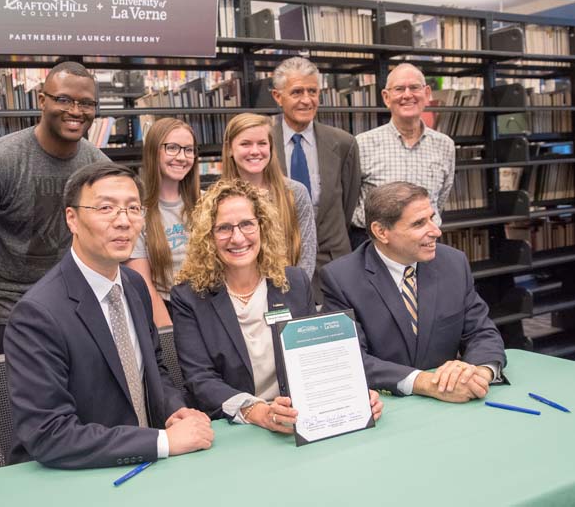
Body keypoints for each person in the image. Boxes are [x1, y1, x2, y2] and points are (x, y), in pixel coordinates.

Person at [4, 161, 213, 469]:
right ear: (72, 219)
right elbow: (49, 435)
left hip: (147, 465)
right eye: (106, 209)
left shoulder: (134, 285)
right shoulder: (37, 315)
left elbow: (153, 368)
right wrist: (163, 442)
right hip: (78, 476)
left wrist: (173, 410)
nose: (123, 221)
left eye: (133, 208)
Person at [171, 180, 382, 433]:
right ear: (208, 236)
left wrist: (351, 393)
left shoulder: (293, 282)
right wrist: (258, 411)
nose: (237, 238)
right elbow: (200, 379)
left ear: (262, 226)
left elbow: (315, 355)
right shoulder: (190, 296)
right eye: (224, 228)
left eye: (247, 224)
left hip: (296, 416)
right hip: (234, 427)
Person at [0, 61, 109, 354]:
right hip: (3, 315)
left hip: (73, 310)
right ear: (41, 101)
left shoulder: (100, 168)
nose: (75, 110)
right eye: (64, 99)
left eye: (86, 103)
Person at [321, 182, 505, 402]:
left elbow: (481, 332)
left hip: (452, 401)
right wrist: (424, 383)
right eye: (419, 224)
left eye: (432, 218)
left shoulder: (454, 263)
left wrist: (478, 374)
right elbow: (350, 358)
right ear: (381, 232)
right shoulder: (341, 279)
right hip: (385, 405)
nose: (436, 231)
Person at [270, 56, 360, 300]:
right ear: (278, 96)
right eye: (297, 92)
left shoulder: (343, 143)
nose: (307, 100)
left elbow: (348, 201)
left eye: (312, 91)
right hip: (279, 264)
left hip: (333, 263)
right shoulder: (261, 143)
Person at [350, 63, 455, 249]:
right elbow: (349, 203)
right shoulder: (361, 144)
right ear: (386, 97)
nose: (407, 95)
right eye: (399, 89)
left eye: (414, 87)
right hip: (375, 246)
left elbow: (439, 201)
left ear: (427, 93)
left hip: (426, 245)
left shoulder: (445, 145)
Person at [221, 113, 316, 279]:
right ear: (229, 149)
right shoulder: (217, 199)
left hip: (287, 292)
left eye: (262, 143)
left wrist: (294, 293)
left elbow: (306, 254)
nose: (255, 151)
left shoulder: (295, 192)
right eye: (245, 144)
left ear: (271, 147)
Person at [126, 118, 200, 327]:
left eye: (188, 150)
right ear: (153, 151)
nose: (182, 157)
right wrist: (169, 342)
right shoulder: (137, 212)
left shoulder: (208, 203)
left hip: (212, 308)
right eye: (172, 148)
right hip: (167, 313)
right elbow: (145, 287)